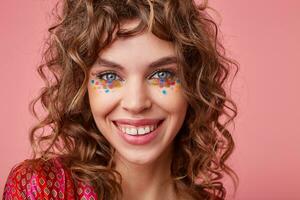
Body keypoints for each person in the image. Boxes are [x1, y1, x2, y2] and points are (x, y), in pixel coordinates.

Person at [3, 0, 239, 199]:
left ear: (193, 83)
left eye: (162, 74)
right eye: (109, 76)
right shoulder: (44, 188)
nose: (136, 103)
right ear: (83, 86)